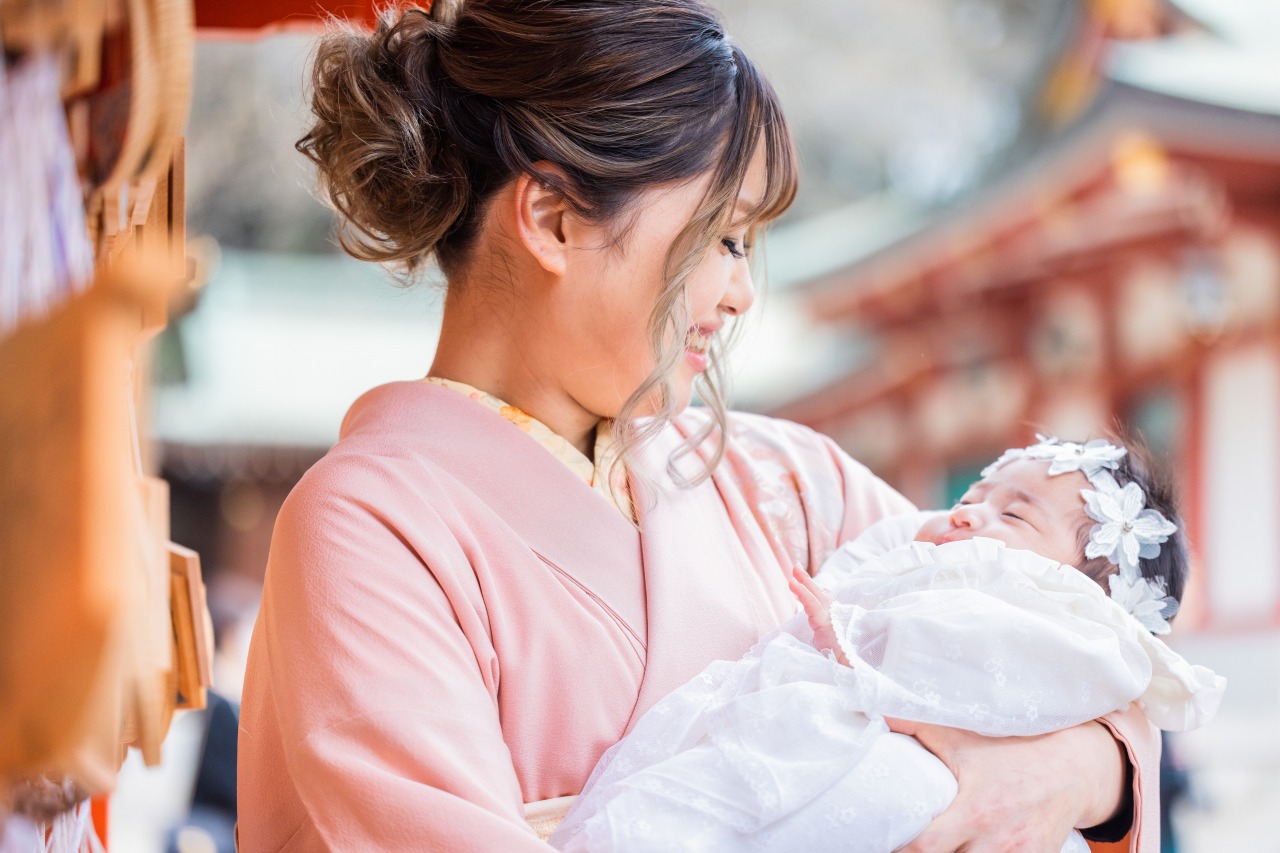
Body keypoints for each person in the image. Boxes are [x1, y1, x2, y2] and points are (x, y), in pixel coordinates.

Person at [236, 2, 1161, 850]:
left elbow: (1077, 622)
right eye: (722, 238)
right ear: (553, 218)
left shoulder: (787, 479)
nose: (742, 292)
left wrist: (1074, 773)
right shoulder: (371, 531)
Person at [551, 437, 1225, 852]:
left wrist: (1088, 766)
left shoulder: (796, 471)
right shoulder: (935, 547)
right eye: (975, 492)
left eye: (1012, 512)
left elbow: (1017, 663)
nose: (964, 511)